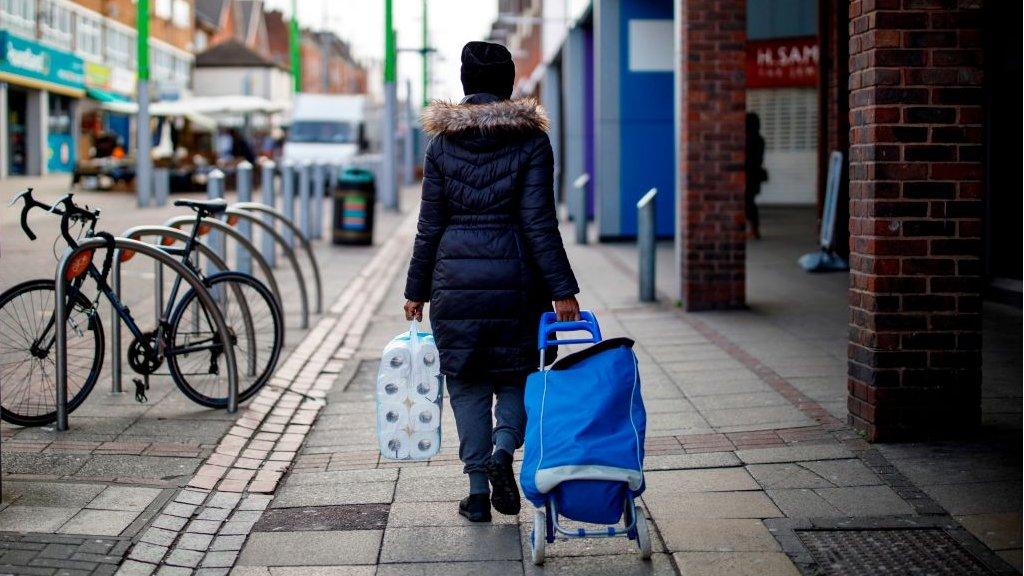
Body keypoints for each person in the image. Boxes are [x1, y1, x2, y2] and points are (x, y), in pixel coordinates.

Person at [403, 41, 581, 523]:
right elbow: (540, 222)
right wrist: (563, 289)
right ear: (508, 82)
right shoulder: (532, 141)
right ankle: (505, 453)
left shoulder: (442, 144)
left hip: (454, 278)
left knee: (467, 383)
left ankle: (478, 494)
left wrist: (415, 289)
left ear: (465, 83)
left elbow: (430, 224)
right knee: (519, 374)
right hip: (517, 278)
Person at [745, 112, 768, 239]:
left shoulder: (749, 139)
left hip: (749, 175)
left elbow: (752, 159)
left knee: (748, 203)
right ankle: (754, 228)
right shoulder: (760, 140)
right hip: (754, 176)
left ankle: (753, 229)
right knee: (750, 202)